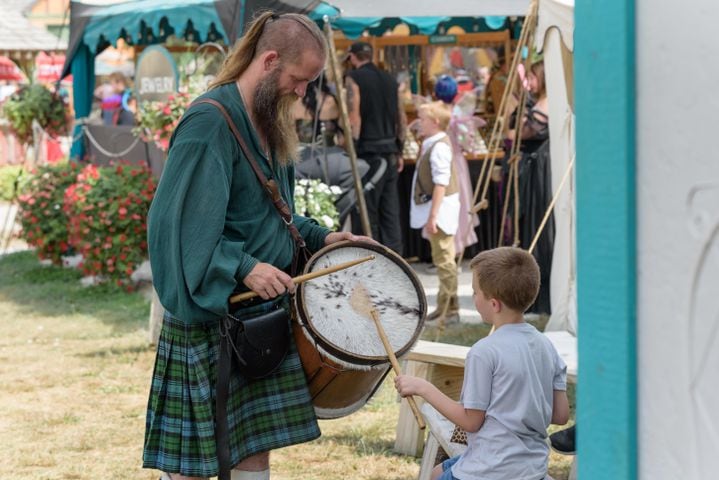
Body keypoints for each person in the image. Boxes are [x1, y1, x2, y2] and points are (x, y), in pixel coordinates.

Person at [143, 12, 370, 480]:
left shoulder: (267, 119)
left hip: (258, 316)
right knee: (191, 465)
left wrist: (323, 237)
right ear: (269, 61)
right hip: (215, 316)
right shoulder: (208, 124)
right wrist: (244, 266)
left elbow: (274, 211)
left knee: (254, 451)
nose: (302, 92)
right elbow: (176, 227)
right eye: (298, 79)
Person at [395, 247, 570, 480]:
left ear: (494, 304)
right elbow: (560, 415)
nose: (475, 297)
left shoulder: (484, 351)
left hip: (490, 469)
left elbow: (471, 422)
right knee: (438, 471)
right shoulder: (546, 346)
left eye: (476, 292)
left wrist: (423, 388)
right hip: (531, 467)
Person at [345, 41, 406, 254]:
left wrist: (351, 148)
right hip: (390, 151)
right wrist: (400, 148)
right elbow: (401, 116)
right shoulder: (390, 79)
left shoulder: (354, 78)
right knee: (390, 211)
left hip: (368, 154)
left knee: (365, 211)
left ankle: (368, 257)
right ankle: (396, 258)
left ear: (353, 57)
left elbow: (354, 118)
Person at [507, 60, 554, 315]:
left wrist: (520, 105)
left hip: (538, 173)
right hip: (535, 170)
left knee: (538, 228)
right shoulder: (538, 104)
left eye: (534, 78)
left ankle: (540, 293)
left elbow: (518, 134)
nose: (530, 83)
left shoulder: (543, 106)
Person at [410, 101, 461, 323]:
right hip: (437, 210)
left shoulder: (439, 147)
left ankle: (451, 309)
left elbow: (441, 183)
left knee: (444, 260)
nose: (418, 122)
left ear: (435, 122)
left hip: (440, 211)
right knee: (442, 258)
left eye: (422, 119)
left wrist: (433, 216)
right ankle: (445, 305)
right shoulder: (432, 143)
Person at [291, 72, 342, 147]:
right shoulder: (332, 101)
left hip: (303, 155)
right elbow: (341, 135)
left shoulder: (296, 102)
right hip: (330, 154)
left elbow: (292, 136)